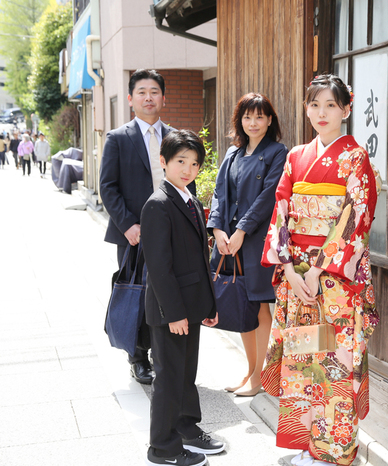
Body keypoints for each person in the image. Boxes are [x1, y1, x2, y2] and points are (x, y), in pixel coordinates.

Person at [260, 74, 381, 466]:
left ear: (347, 109)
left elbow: (356, 217)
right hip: (299, 278)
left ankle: (335, 452)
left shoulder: (356, 157)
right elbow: (281, 211)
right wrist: (293, 271)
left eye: (331, 105)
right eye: (314, 105)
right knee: (302, 363)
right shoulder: (296, 156)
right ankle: (307, 446)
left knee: (334, 365)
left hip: (335, 283)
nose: (321, 113)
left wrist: (317, 270)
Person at [100, 69, 194, 384]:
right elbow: (108, 187)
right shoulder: (118, 138)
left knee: (166, 292)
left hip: (169, 231)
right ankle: (137, 357)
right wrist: (128, 225)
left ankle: (160, 354)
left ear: (163, 98)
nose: (148, 97)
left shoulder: (175, 137)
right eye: (142, 92)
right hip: (133, 236)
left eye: (154, 91)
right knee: (136, 295)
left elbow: (185, 183)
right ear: (131, 99)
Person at [141, 130, 225, 466]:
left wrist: (209, 305)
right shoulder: (158, 204)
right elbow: (159, 268)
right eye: (180, 162)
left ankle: (187, 428)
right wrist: (174, 313)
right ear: (163, 162)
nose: (188, 169)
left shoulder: (191, 201)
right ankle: (162, 447)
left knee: (186, 374)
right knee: (169, 378)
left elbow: (201, 263)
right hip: (170, 310)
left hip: (191, 305)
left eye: (194, 163)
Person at [207, 93, 287, 396]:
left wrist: (241, 230)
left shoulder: (278, 152)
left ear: (270, 120)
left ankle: (260, 378)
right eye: (247, 117)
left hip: (256, 241)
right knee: (242, 304)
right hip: (229, 241)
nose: (253, 123)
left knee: (258, 305)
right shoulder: (232, 153)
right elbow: (219, 194)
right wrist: (217, 229)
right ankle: (250, 371)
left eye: (260, 116)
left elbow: (269, 196)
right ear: (240, 121)